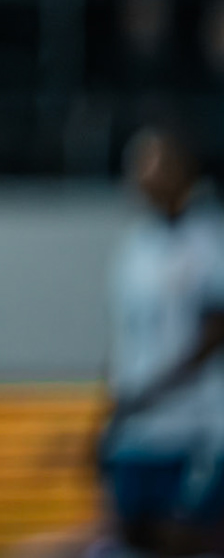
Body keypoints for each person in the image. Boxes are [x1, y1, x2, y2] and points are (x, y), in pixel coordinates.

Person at [102, 122, 224, 555]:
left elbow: (212, 336)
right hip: (137, 433)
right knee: (131, 539)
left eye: (151, 162)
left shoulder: (210, 239)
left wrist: (149, 393)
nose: (140, 173)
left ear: (183, 169)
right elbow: (127, 336)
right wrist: (114, 406)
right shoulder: (136, 245)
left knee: (184, 538)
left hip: (194, 429)